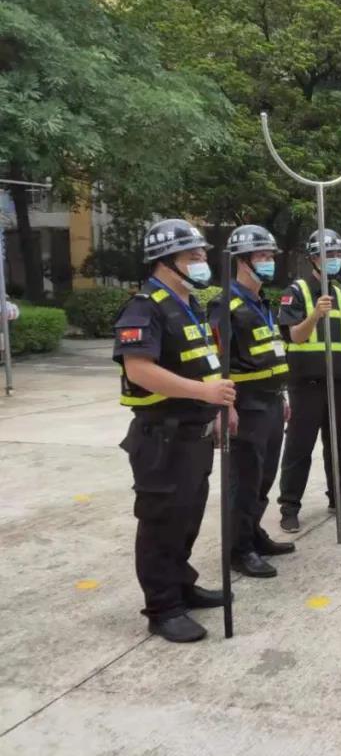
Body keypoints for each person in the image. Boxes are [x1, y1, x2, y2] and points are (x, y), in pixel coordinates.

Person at [113, 218, 236, 643]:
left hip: (193, 433)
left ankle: (181, 585)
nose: (202, 261)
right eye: (193, 255)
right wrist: (204, 392)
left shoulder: (190, 305)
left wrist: (218, 406)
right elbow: (140, 369)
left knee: (187, 517)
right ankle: (162, 607)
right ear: (165, 262)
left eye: (202, 253)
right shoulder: (144, 307)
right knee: (161, 523)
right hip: (160, 436)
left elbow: (204, 363)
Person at [208, 225, 294, 579]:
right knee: (243, 480)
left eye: (271, 255)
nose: (269, 262)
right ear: (241, 261)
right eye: (261, 256)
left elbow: (271, 353)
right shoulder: (224, 304)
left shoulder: (261, 302)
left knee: (263, 476)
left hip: (271, 402)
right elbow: (213, 358)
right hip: (245, 406)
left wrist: (283, 394)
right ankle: (237, 549)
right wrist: (224, 406)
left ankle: (253, 532)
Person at [276, 229, 341, 533]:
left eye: (339, 255)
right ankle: (289, 506)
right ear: (313, 257)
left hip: (337, 383)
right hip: (306, 383)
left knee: (340, 445)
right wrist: (315, 314)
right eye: (330, 255)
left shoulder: (340, 294)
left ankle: (338, 496)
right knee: (299, 447)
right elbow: (294, 336)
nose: (335, 260)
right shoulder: (296, 292)